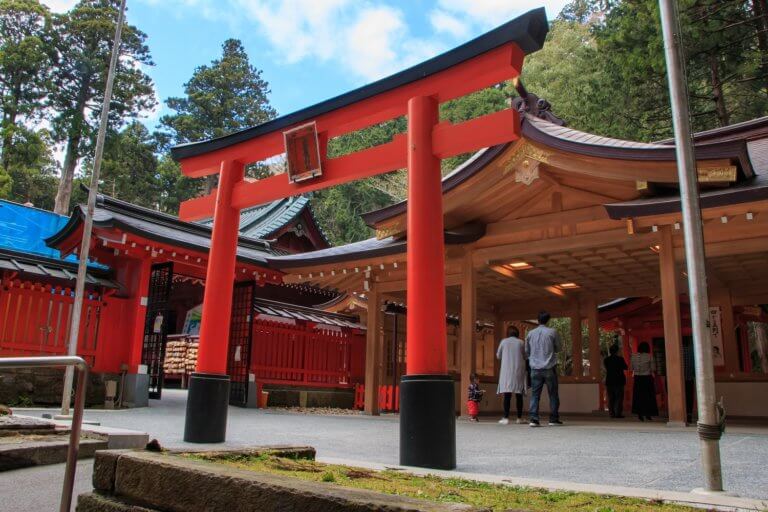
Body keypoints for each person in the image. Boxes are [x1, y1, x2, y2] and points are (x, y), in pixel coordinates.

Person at [525, 311, 562, 427]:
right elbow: (558, 348)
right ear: (548, 320)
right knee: (553, 394)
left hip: (535, 368)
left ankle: (534, 419)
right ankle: (553, 419)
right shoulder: (552, 332)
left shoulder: (530, 333)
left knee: (535, 395)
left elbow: (527, 351)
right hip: (549, 367)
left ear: (538, 320)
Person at [496, 325, 528, 425]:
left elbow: (498, 356)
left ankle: (505, 418)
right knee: (519, 395)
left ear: (508, 334)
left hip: (506, 372)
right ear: (517, 334)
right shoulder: (521, 342)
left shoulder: (503, 342)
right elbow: (525, 356)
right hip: (518, 371)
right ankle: (519, 418)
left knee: (507, 395)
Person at [631, 342, 659, 421]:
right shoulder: (649, 356)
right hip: (647, 378)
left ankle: (639, 413)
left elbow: (631, 367)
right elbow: (653, 368)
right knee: (648, 397)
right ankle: (648, 414)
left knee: (638, 396)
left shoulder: (633, 356)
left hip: (637, 378)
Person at [603, 344, 628, 418]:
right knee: (619, 398)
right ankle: (618, 413)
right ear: (617, 351)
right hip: (619, 380)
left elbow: (606, 368)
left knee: (611, 398)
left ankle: (611, 413)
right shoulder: (620, 359)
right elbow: (625, 367)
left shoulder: (606, 360)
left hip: (610, 380)